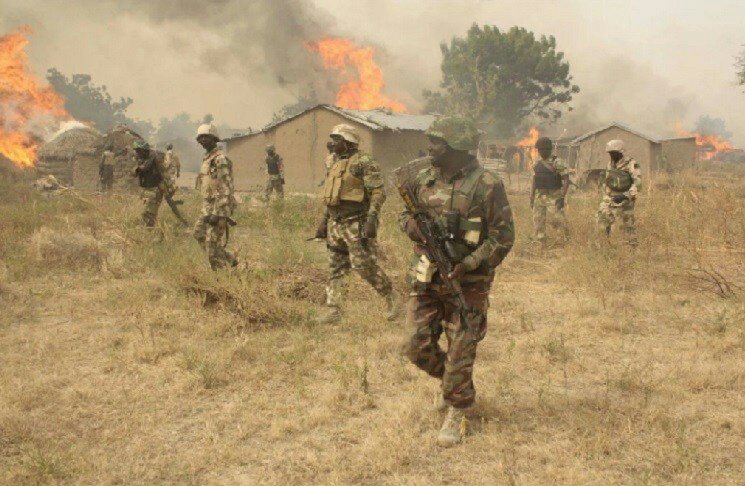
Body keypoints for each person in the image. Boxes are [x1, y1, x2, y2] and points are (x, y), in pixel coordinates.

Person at [400, 116, 514, 447]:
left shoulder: (487, 184)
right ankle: (453, 382)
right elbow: (403, 215)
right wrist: (413, 227)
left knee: (461, 348)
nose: (430, 147)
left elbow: (503, 236)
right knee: (415, 346)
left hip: (468, 282)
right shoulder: (422, 179)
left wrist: (470, 263)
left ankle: (458, 407)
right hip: (426, 276)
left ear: (457, 147)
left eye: (437, 142)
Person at [313, 124, 401, 324]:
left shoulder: (364, 161)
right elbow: (332, 196)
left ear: (348, 142)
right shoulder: (333, 162)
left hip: (356, 223)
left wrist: (371, 219)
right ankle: (334, 310)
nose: (333, 143)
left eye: (337, 139)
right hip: (335, 223)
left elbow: (378, 192)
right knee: (336, 267)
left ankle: (392, 296)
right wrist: (324, 222)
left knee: (363, 265)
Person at [193, 123, 238, 270]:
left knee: (211, 244)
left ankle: (221, 276)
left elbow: (226, 187)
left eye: (206, 137)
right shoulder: (207, 158)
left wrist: (218, 213)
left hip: (219, 207)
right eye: (201, 138)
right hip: (208, 205)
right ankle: (229, 259)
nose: (203, 140)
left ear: (214, 138)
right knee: (198, 233)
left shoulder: (220, 159)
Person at [597, 139, 642, 246]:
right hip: (609, 199)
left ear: (620, 152)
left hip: (625, 200)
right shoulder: (610, 164)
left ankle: (631, 248)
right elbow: (608, 180)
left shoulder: (631, 164)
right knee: (602, 222)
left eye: (614, 153)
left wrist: (625, 195)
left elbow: (638, 183)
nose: (611, 155)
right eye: (610, 153)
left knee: (627, 227)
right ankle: (604, 245)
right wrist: (606, 194)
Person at [529, 137, 570, 243]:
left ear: (549, 149)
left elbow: (566, 179)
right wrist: (532, 196)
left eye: (544, 149)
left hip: (554, 195)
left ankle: (562, 240)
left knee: (557, 219)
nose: (541, 152)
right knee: (538, 219)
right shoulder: (536, 163)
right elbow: (534, 180)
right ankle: (540, 239)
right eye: (539, 149)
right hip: (540, 195)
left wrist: (562, 197)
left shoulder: (557, 162)